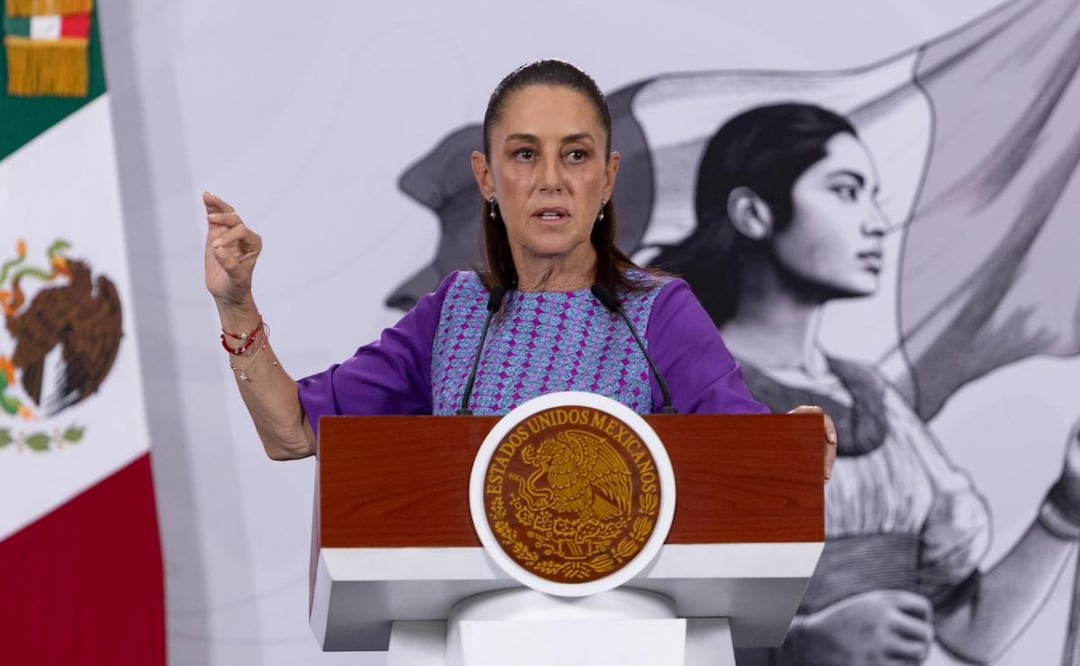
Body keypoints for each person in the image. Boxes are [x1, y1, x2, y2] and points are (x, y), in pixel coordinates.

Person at [202, 60, 838, 481]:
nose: (552, 180)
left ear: (608, 177)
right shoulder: (452, 314)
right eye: (525, 154)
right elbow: (292, 432)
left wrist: (794, 444)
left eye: (577, 155)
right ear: (486, 177)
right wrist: (236, 305)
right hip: (470, 626)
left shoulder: (659, 311)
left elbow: (748, 452)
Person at [653, 102, 1080, 665]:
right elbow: (619, 627)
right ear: (753, 213)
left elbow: (970, 632)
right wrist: (797, 647)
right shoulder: (677, 392)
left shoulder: (875, 399)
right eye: (846, 191)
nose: (877, 222)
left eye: (873, 195)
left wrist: (1067, 506)